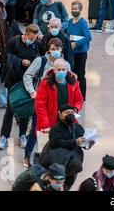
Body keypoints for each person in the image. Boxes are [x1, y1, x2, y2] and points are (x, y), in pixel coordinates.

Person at [23, 38, 71, 168]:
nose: (55, 51)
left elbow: (69, 83)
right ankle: (28, 155)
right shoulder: (41, 61)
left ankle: (52, 158)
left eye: (58, 49)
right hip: (42, 103)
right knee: (36, 131)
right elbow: (27, 76)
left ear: (62, 49)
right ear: (49, 49)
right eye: (53, 49)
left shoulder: (65, 64)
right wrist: (33, 92)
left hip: (58, 105)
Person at [0, 24, 42, 151]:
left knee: (25, 109)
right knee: (10, 109)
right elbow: (7, 56)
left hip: (28, 82)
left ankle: (22, 135)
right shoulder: (14, 41)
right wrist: (20, 61)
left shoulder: (37, 44)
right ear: (26, 34)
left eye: (34, 38)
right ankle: (4, 137)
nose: (32, 40)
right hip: (14, 80)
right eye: (31, 37)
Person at [40, 105, 90, 191]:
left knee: (68, 183)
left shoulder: (78, 128)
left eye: (72, 112)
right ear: (60, 115)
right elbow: (55, 143)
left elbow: (81, 143)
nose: (70, 114)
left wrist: (87, 144)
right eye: (67, 113)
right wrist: (74, 142)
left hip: (73, 163)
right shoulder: (55, 128)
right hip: (58, 162)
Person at [35, 59, 84, 134]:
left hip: (68, 121)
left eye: (63, 69)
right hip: (50, 122)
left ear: (67, 70)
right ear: (54, 70)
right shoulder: (45, 84)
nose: (61, 72)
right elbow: (40, 106)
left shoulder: (74, 83)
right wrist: (45, 125)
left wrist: (75, 109)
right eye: (58, 69)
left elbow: (79, 100)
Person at [67, 0, 92, 102]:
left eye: (76, 9)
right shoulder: (70, 22)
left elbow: (88, 37)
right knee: (71, 73)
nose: (74, 11)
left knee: (80, 74)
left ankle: (82, 97)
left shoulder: (83, 23)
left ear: (80, 10)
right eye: (72, 9)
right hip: (72, 52)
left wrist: (76, 43)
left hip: (81, 52)